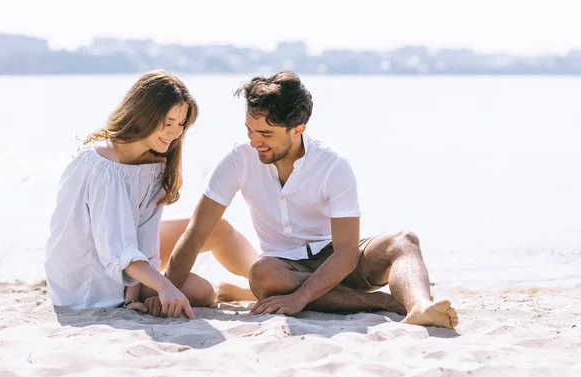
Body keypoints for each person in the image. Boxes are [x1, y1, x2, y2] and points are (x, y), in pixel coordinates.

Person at [162, 71, 459, 328]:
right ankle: (388, 303)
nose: (254, 142)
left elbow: (345, 253)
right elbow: (197, 232)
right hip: (284, 271)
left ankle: (419, 305)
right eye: (250, 131)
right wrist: (165, 291)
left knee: (403, 240)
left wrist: (300, 299)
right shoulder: (238, 159)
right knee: (262, 275)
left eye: (265, 133)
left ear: (298, 129)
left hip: (341, 264)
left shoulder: (333, 166)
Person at [44, 70, 258, 319]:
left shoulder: (154, 161)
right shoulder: (102, 164)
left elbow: (143, 236)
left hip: (126, 262)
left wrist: (135, 296)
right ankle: (227, 290)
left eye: (181, 124)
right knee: (202, 291)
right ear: (143, 114)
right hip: (89, 281)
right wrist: (161, 287)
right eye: (168, 123)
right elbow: (115, 248)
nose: (175, 133)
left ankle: (267, 283)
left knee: (216, 227)